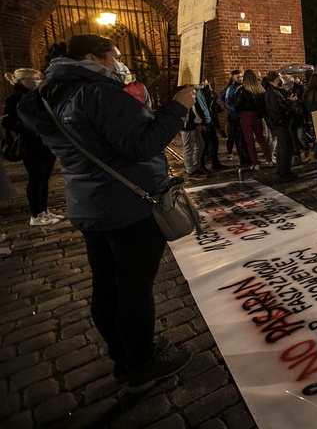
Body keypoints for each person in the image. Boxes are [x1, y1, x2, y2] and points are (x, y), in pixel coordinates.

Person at [17, 34, 194, 391]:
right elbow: (140, 145)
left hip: (89, 203)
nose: (118, 64)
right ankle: (143, 364)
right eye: (113, 58)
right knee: (133, 288)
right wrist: (175, 108)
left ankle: (125, 355)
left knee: (107, 285)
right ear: (91, 59)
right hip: (128, 205)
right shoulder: (95, 93)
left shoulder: (46, 96)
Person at [3, 68, 64, 226]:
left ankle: (43, 211)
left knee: (44, 178)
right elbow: (7, 121)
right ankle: (36, 214)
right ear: (23, 81)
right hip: (31, 145)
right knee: (36, 178)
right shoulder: (16, 98)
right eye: (33, 79)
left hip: (45, 142)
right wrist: (32, 130)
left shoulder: (38, 95)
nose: (37, 81)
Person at [235, 69, 272, 171]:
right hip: (257, 116)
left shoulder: (242, 90)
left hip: (245, 116)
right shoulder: (260, 90)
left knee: (249, 141)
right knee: (261, 139)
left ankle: (255, 163)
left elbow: (237, 105)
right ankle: (269, 160)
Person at [264, 71, 297, 180]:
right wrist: (289, 101)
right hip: (281, 123)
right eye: (280, 77)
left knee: (282, 147)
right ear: (277, 79)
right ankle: (284, 172)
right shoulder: (273, 93)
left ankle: (282, 169)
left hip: (278, 123)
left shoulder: (273, 91)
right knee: (286, 148)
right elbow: (279, 109)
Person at [221, 70, 250, 166]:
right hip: (235, 117)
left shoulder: (243, 87)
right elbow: (227, 103)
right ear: (233, 78)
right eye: (238, 77)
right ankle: (243, 159)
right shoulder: (231, 89)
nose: (240, 78)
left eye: (241, 77)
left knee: (246, 137)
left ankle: (248, 157)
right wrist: (237, 110)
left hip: (243, 115)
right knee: (239, 138)